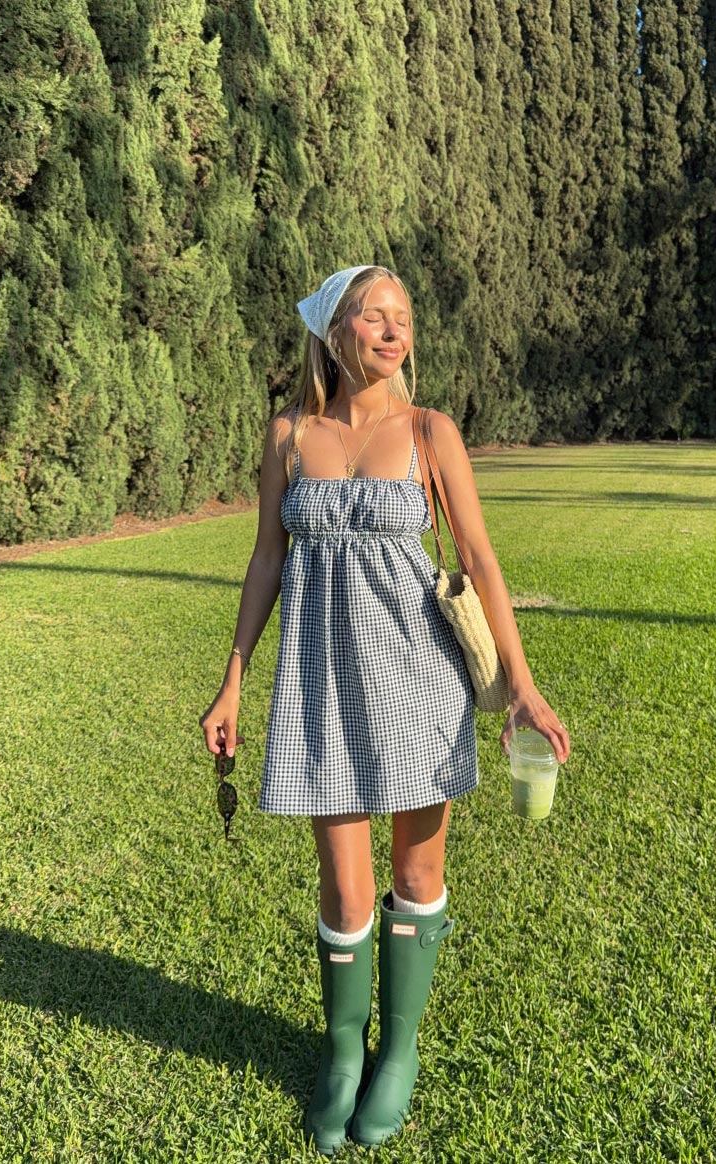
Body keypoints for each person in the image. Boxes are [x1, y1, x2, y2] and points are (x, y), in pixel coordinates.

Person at [200, 264, 570, 1155]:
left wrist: (520, 680)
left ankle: (395, 1050)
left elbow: (479, 558)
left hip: (422, 681)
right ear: (336, 332)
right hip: (320, 685)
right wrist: (233, 677)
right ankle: (341, 1052)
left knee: (414, 880)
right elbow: (265, 563)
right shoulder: (289, 436)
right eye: (376, 315)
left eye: (404, 316)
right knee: (342, 885)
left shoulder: (431, 432)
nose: (394, 330)